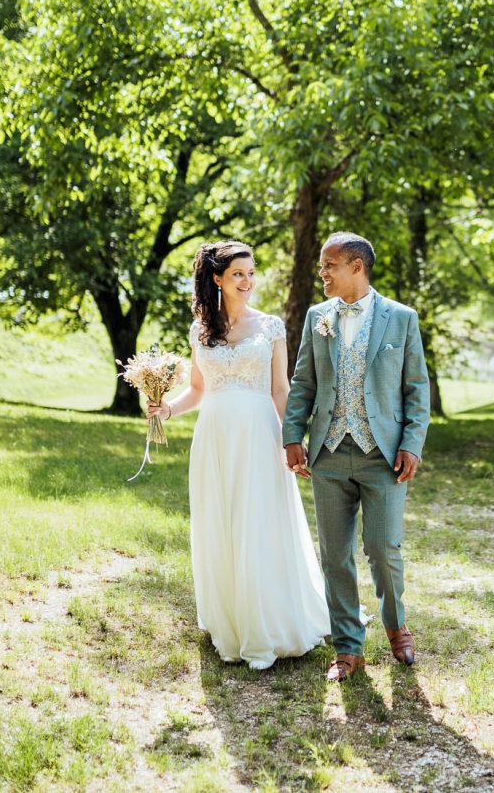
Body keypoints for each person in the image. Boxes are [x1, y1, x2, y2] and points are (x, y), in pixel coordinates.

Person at [150, 241, 328, 670]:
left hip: (257, 433)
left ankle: (267, 624)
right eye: (238, 275)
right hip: (214, 436)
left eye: (251, 274)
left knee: (258, 521)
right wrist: (167, 408)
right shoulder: (199, 329)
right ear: (217, 279)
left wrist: (294, 439)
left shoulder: (269, 326)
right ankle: (229, 622)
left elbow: (280, 389)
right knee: (221, 523)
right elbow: (198, 388)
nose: (247, 282)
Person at [283, 232, 431, 682]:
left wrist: (411, 444)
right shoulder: (317, 318)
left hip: (382, 454)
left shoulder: (401, 320)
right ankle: (347, 647)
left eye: (330, 266)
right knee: (335, 555)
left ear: (356, 267)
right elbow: (303, 382)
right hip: (327, 452)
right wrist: (293, 434)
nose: (322, 273)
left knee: (383, 550)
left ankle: (395, 626)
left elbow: (416, 389)